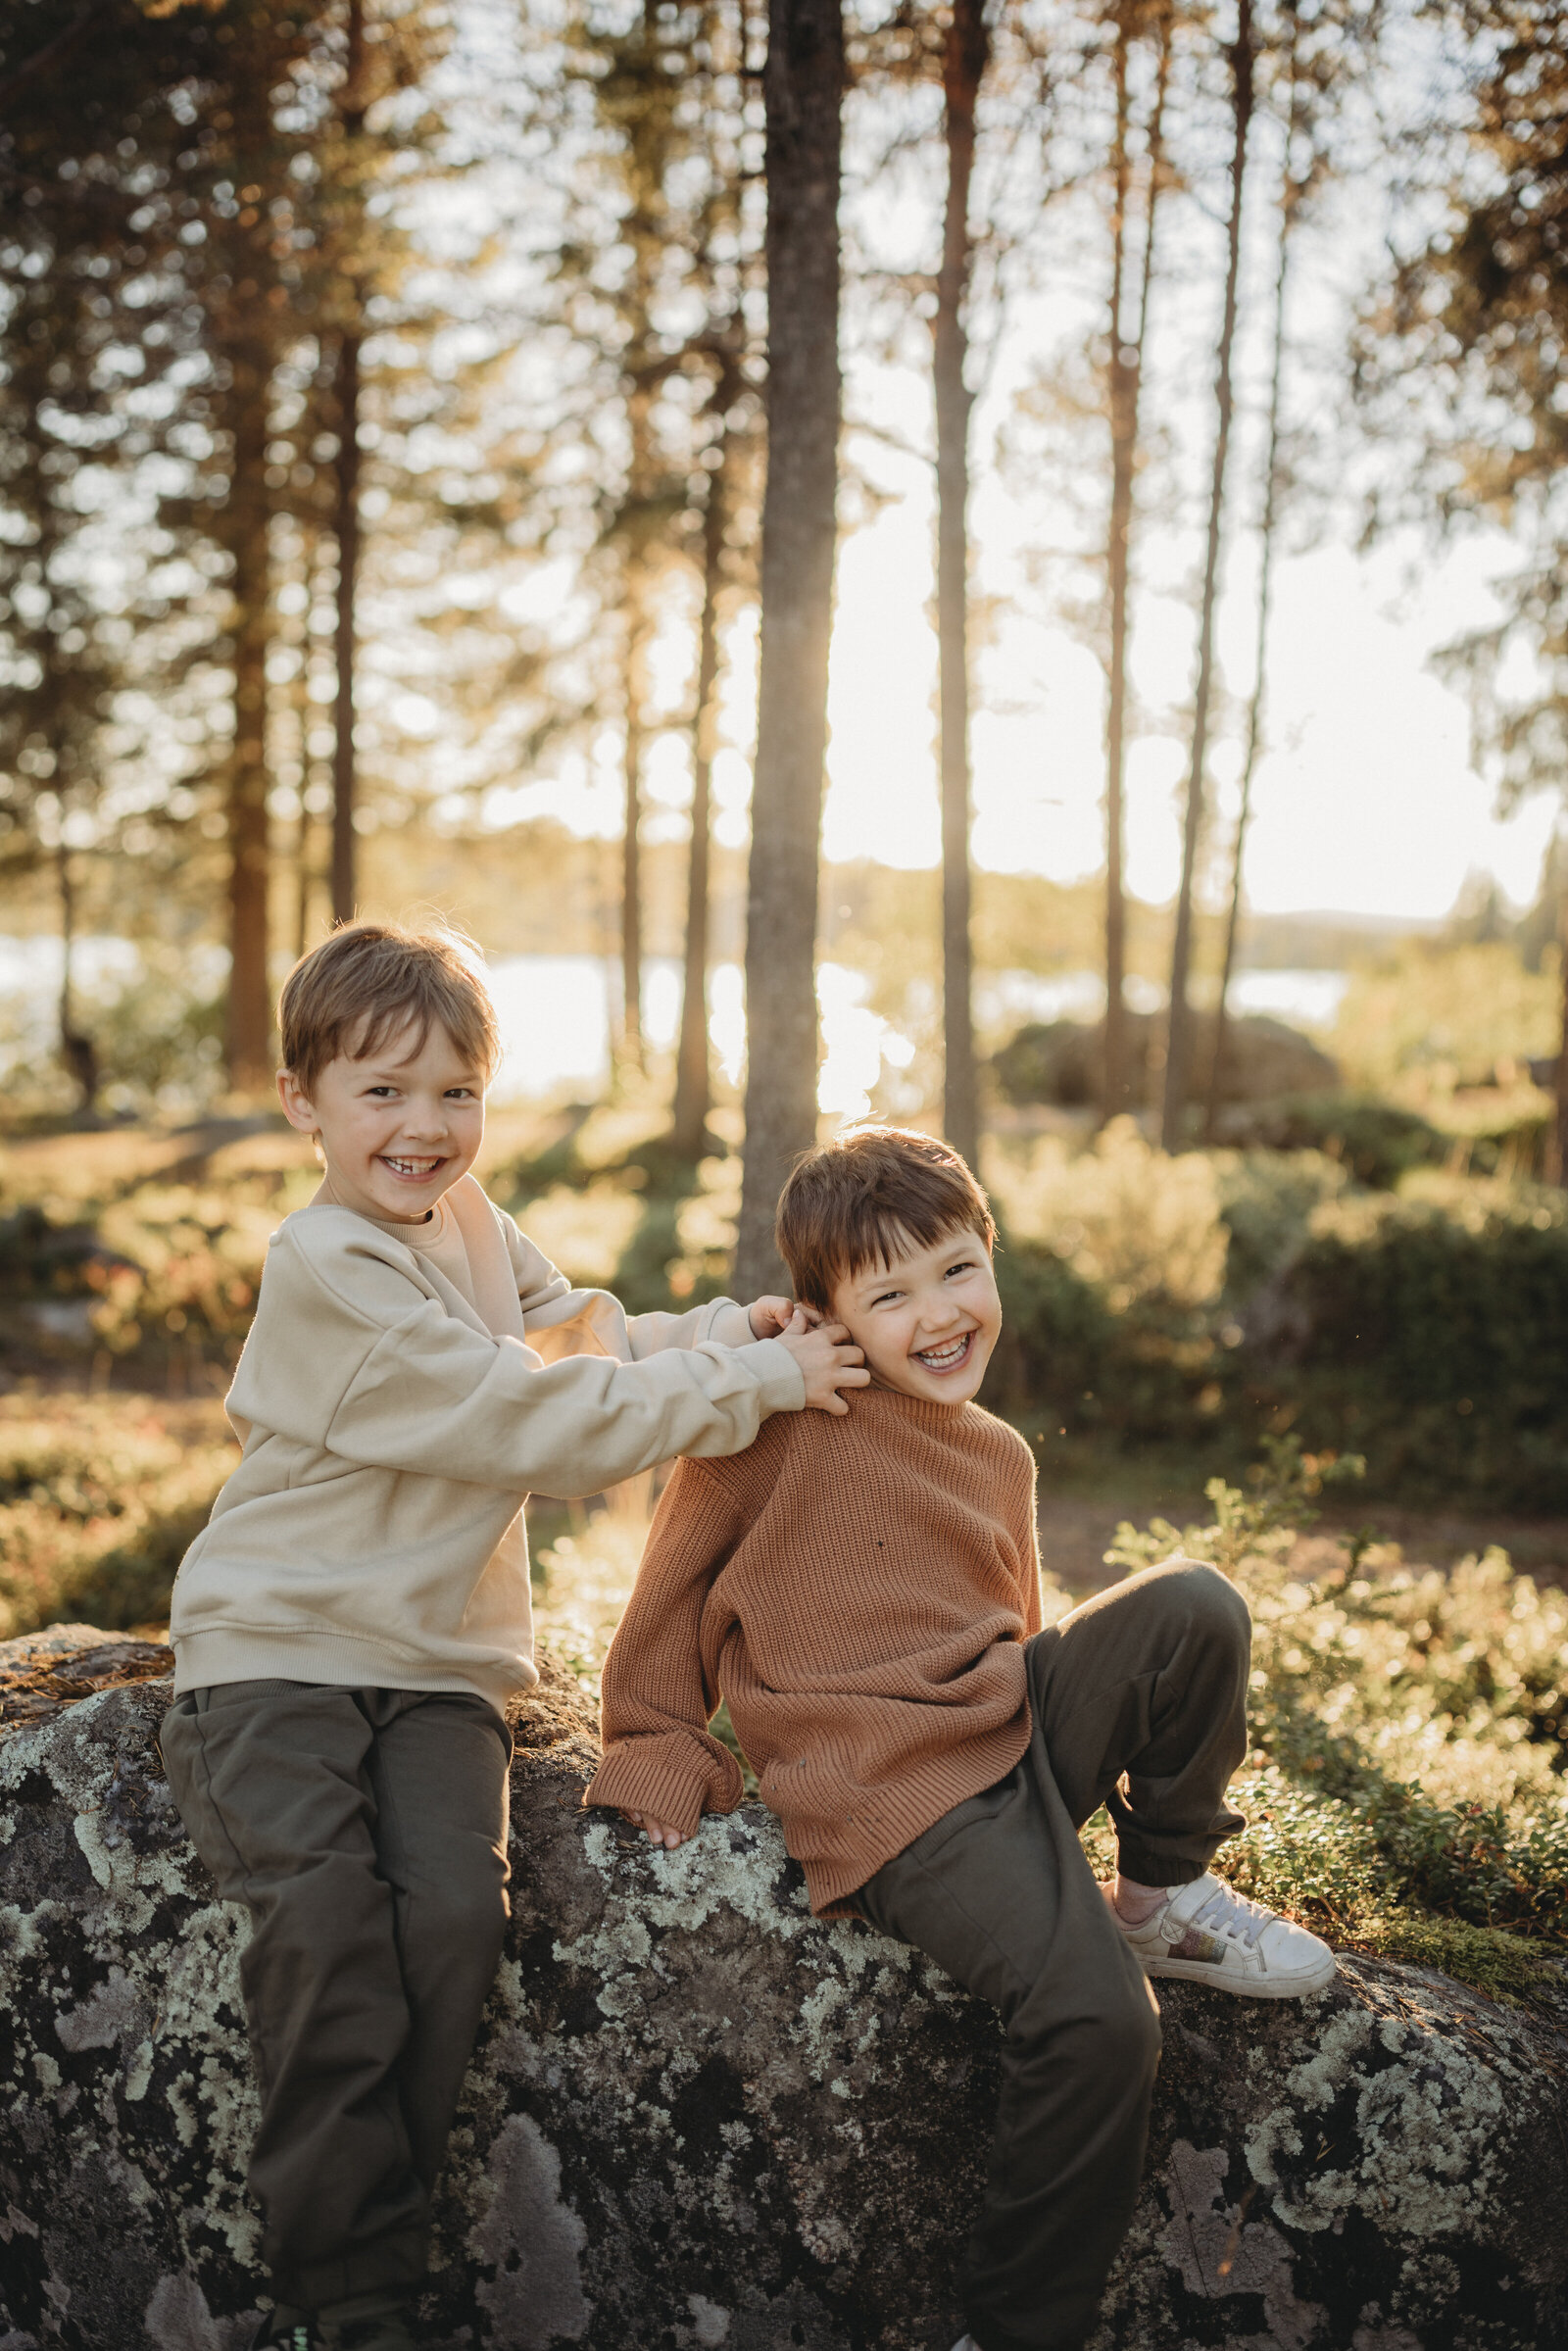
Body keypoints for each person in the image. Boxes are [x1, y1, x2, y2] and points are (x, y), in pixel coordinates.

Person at [160, 920, 868, 2351]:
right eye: (383, 1090)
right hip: (278, 1645)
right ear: (305, 1101)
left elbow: (582, 1340)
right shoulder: (329, 1264)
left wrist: (737, 1326)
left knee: (454, 1917)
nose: (426, 1127)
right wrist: (756, 1381)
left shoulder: (472, 1224)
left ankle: (384, 2212)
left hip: (437, 1665)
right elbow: (532, 1422)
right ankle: (353, 2289)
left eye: (457, 1092)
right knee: (324, 1922)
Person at [586, 1123, 1335, 2351]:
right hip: (896, 1793)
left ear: (991, 1258)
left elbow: (1010, 1623)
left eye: (956, 1270)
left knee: (1192, 1601)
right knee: (1099, 2024)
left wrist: (1065, 1787)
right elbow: (667, 1596)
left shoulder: (999, 1452)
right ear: (824, 1317)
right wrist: (658, 1742)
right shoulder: (776, 1416)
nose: (937, 1314)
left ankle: (1158, 1897)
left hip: (1008, 1729)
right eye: (888, 1294)